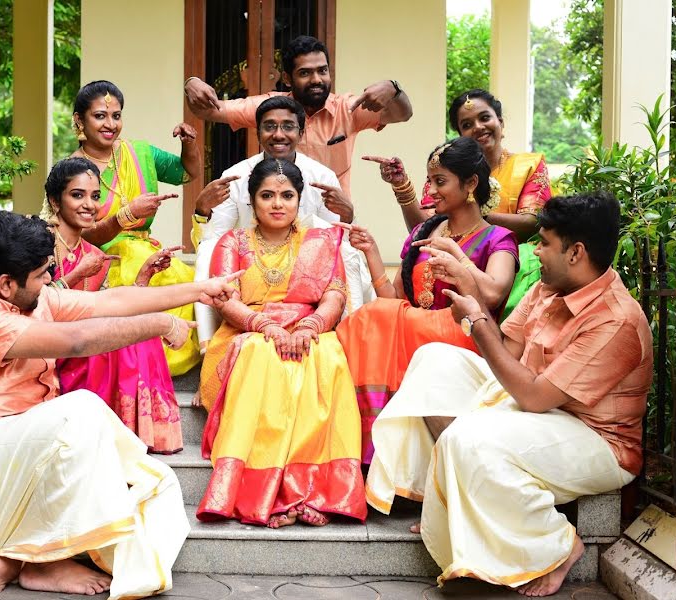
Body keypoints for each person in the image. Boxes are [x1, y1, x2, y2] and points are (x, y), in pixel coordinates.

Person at [0, 211, 239, 598]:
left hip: (18, 482)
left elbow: (116, 301)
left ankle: (22, 559)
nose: (51, 280)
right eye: (41, 275)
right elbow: (77, 341)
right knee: (80, 409)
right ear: (5, 284)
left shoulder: (31, 299)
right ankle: (45, 562)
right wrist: (160, 324)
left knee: (153, 482)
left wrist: (201, 289)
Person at [366, 192, 652, 596]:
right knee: (433, 361)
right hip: (531, 404)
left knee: (469, 439)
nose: (536, 251)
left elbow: (534, 396)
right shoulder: (548, 288)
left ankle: (556, 545)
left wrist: (478, 322)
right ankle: (444, 495)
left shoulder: (615, 320)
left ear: (576, 253)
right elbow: (507, 352)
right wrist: (470, 294)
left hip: (594, 438)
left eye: (545, 243)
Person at [195, 158, 367, 529]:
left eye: (287, 195)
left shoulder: (319, 242)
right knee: (262, 356)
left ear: (299, 199)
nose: (277, 204)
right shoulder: (233, 241)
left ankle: (314, 491)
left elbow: (334, 295)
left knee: (329, 354)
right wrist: (265, 326)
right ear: (252, 202)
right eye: (267, 196)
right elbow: (225, 299)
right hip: (247, 332)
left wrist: (309, 326)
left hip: (308, 330)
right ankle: (266, 495)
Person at [336, 137, 518, 464]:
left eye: (440, 181)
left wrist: (457, 257)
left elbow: (493, 294)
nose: (430, 190)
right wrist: (372, 252)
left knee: (378, 317)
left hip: (464, 335)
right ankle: (369, 448)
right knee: (373, 315)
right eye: (429, 180)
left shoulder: (498, 239)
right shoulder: (424, 231)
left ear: (471, 183)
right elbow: (394, 299)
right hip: (416, 331)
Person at [191, 96, 372, 352]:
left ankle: (353, 342)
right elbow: (213, 236)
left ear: (301, 132)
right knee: (207, 252)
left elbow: (337, 238)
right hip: (250, 265)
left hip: (308, 272)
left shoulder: (322, 176)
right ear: (258, 131)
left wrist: (348, 216)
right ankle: (207, 349)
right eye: (269, 126)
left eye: (287, 126)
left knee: (348, 254)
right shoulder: (236, 175)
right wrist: (201, 212)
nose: (279, 134)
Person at [366, 88, 550, 317]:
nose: (478, 127)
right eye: (467, 124)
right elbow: (425, 225)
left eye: (484, 118)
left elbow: (534, 222)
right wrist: (402, 186)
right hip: (429, 297)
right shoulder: (442, 170)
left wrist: (471, 216)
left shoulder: (528, 166)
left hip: (509, 261)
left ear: (500, 121)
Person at [43, 157, 183, 453]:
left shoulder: (92, 251)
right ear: (56, 202)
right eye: (77, 195)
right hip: (52, 343)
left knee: (139, 332)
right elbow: (32, 305)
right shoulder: (40, 242)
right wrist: (76, 275)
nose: (89, 205)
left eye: (95, 197)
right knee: (111, 341)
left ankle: (138, 435)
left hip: (86, 336)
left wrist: (143, 278)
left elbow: (107, 307)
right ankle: (112, 431)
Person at [72, 79, 201, 375]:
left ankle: (160, 361)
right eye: (100, 116)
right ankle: (140, 363)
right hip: (102, 258)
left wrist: (189, 143)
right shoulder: (71, 170)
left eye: (116, 116)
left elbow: (187, 173)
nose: (110, 124)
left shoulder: (139, 153)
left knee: (187, 281)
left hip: (145, 249)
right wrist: (125, 216)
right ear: (80, 120)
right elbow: (79, 235)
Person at [185, 35, 413, 194]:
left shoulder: (348, 109)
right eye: (305, 73)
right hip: (278, 218)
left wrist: (393, 88)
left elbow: (403, 114)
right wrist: (192, 84)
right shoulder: (270, 107)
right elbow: (208, 111)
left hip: (332, 220)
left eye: (322, 70)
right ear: (287, 78)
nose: (316, 79)